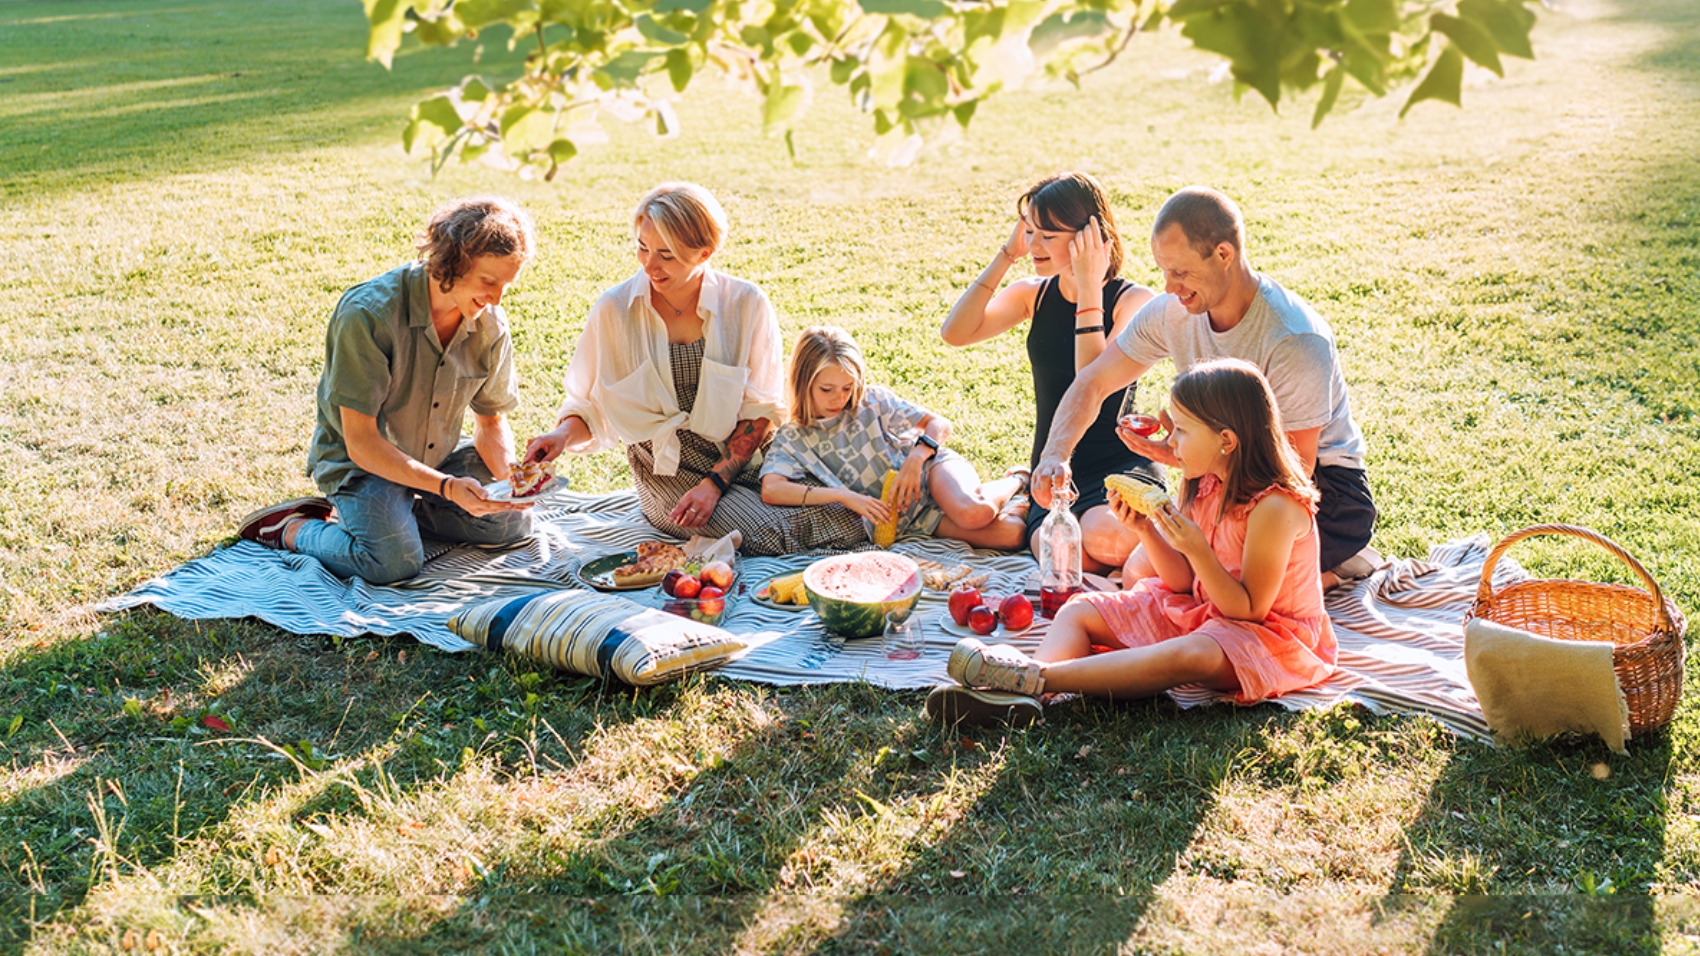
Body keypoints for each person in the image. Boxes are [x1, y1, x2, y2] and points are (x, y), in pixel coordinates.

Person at [926, 359, 1336, 725]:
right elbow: (1180, 584)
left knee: (1191, 655)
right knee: (1081, 609)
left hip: (1269, 636)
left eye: (1183, 431)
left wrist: (1196, 548)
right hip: (1206, 610)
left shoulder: (1275, 507)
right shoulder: (1204, 482)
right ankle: (1030, 696)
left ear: (1226, 440)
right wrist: (1145, 529)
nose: (1170, 445)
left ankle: (1031, 678)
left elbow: (1248, 610)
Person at [1029, 186, 1377, 587]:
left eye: (1180, 272)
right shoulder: (1173, 313)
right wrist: (1056, 454)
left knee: (1202, 585)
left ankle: (1337, 567)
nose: (1168, 286)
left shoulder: (1293, 338)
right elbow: (1093, 381)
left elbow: (1292, 475)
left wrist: (1190, 457)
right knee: (1142, 574)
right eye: (1164, 271)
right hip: (1221, 476)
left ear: (1224, 255)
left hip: (1319, 493)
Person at [523, 183, 866, 554]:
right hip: (669, 473)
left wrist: (715, 483)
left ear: (705, 252)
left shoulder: (746, 304)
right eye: (642, 247)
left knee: (849, 511)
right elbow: (592, 406)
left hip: (746, 460)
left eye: (666, 255)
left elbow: (761, 412)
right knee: (768, 531)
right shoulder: (615, 310)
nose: (649, 265)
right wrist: (559, 437)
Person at [235, 196, 537, 584]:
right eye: (488, 282)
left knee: (513, 525)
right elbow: (361, 443)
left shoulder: (490, 323)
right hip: (362, 463)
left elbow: (491, 421)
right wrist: (447, 488)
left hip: (436, 456)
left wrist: (510, 486)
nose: (496, 299)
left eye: (506, 285)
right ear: (453, 264)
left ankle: (398, 516)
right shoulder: (368, 314)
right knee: (393, 563)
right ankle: (292, 528)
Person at [941, 172, 1160, 571]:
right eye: (1029, 231)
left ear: (1086, 237)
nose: (1033, 245)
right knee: (1059, 556)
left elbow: (1091, 381)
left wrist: (1090, 286)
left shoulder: (1135, 302)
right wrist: (1006, 255)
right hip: (1052, 474)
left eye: (1047, 235)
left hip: (1119, 469)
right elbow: (955, 333)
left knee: (1107, 540)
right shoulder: (1034, 294)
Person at [760, 326, 1028, 550]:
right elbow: (772, 489)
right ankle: (1018, 502)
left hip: (931, 470)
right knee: (1013, 535)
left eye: (847, 387)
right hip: (913, 517)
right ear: (802, 382)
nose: (839, 398)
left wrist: (917, 458)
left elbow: (938, 424)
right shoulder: (793, 437)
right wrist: (841, 495)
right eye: (826, 389)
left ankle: (1018, 479)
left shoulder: (872, 401)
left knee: (973, 511)